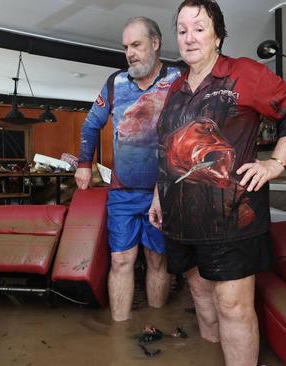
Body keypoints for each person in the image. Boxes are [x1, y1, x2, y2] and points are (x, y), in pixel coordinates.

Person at [148, 1, 286, 365]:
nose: (189, 37)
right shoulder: (174, 90)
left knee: (232, 304)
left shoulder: (243, 73)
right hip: (181, 217)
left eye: (199, 28)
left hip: (232, 217)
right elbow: (166, 148)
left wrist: (276, 163)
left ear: (218, 34)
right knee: (199, 292)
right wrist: (158, 198)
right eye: (182, 30)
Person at [75, 17, 182, 322]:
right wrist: (84, 164)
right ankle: (120, 337)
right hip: (122, 192)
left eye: (136, 45)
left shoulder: (178, 80)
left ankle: (155, 326)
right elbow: (91, 124)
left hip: (164, 192)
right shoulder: (115, 83)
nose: (130, 53)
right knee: (121, 260)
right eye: (126, 47)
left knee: (157, 259)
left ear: (156, 43)